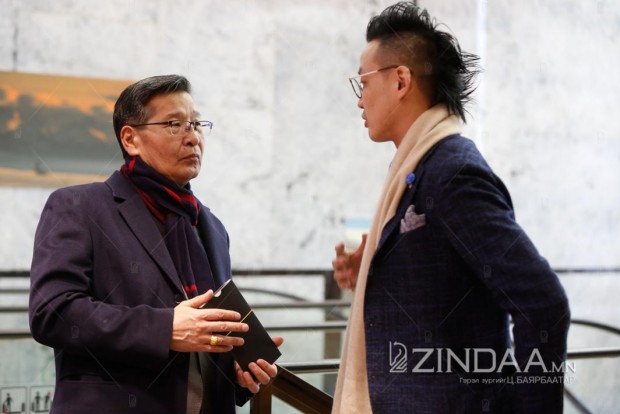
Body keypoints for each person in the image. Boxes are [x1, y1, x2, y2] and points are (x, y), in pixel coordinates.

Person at [331, 3, 570, 413]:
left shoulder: (451, 173)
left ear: (401, 80)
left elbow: (543, 304)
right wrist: (373, 272)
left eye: (363, 82)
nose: (359, 101)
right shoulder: (417, 168)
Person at [29, 74, 282, 414]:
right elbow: (52, 313)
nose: (193, 137)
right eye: (175, 124)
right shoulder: (80, 206)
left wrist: (236, 371)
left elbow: (201, 336)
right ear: (130, 139)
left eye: (197, 124)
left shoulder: (211, 226)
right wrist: (163, 329)